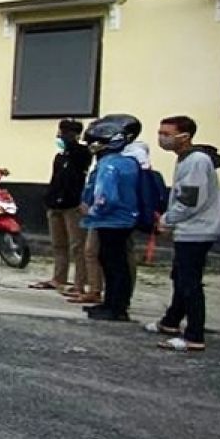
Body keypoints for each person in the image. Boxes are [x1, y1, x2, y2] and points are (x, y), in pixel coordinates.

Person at [148, 116, 220, 352]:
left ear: (185, 136)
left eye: (167, 133)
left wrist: (167, 220)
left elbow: (190, 200)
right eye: (161, 132)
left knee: (189, 282)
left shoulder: (196, 161)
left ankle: (194, 335)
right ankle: (171, 321)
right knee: (180, 277)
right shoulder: (186, 159)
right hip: (189, 229)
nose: (162, 138)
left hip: (197, 230)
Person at [80, 117, 140, 322]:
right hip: (125, 219)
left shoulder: (109, 165)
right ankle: (114, 304)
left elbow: (107, 196)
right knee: (118, 264)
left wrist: (92, 211)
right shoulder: (130, 163)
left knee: (112, 264)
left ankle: (114, 307)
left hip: (110, 220)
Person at [30, 120, 91, 295]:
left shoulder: (82, 153)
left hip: (72, 205)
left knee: (77, 245)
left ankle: (80, 282)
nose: (60, 136)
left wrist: (73, 141)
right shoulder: (60, 156)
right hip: (54, 203)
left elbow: (79, 160)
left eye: (64, 133)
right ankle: (59, 278)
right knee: (58, 244)